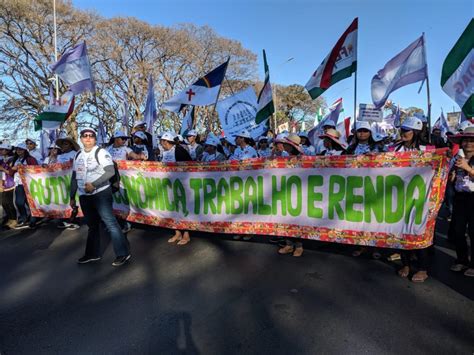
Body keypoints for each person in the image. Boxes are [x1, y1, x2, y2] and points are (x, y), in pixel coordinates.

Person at [70, 128, 131, 267]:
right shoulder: (78, 154)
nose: (88, 138)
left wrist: (94, 184)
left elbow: (110, 172)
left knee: (110, 223)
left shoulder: (101, 152)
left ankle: (123, 253)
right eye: (85, 136)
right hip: (84, 196)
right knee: (92, 225)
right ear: (81, 138)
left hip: (101, 193)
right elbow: (74, 176)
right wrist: (71, 196)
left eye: (91, 136)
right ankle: (92, 254)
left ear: (95, 139)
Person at [392, 117, 431, 282]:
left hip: (420, 198)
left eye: (407, 130)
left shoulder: (428, 149)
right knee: (401, 231)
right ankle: (406, 263)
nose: (403, 133)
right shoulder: (394, 149)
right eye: (402, 130)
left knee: (417, 231)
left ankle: (423, 268)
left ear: (415, 132)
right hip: (398, 197)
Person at [448, 127, 474, 277]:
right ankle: (462, 260)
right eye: (466, 140)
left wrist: (467, 168)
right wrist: (451, 175)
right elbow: (451, 179)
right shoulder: (456, 158)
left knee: (473, 232)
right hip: (460, 197)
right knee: (458, 231)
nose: (469, 143)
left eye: (472, 140)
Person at [160, 132, 193, 245]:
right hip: (169, 184)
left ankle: (186, 234)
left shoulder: (178, 150)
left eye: (162, 141)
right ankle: (177, 232)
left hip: (182, 184)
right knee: (172, 209)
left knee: (183, 208)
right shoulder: (164, 152)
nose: (161, 143)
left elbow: (189, 165)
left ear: (166, 141)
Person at [276, 133, 305, 257]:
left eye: (287, 144)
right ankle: (288, 244)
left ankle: (299, 246)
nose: (285, 146)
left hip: (298, 192)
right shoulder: (283, 157)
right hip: (285, 191)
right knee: (285, 219)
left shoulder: (303, 158)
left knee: (296, 219)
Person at [8, 143, 38, 229]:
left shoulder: (30, 159)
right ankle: (24, 218)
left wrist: (23, 167)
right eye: (17, 149)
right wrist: (13, 169)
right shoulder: (14, 159)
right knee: (19, 202)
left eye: (20, 149)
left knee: (30, 202)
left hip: (29, 183)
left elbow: (36, 169)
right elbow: (10, 173)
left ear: (25, 150)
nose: (18, 151)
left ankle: (33, 220)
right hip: (19, 184)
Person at [0, 143, 16, 229]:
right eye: (1, 149)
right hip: (3, 182)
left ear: (8, 151)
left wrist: (2, 168)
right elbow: (1, 173)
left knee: (10, 203)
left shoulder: (12, 159)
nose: (1, 151)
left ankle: (14, 220)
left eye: (3, 149)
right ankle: (9, 219)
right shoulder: (2, 160)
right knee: (4, 203)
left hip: (11, 182)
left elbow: (11, 172)